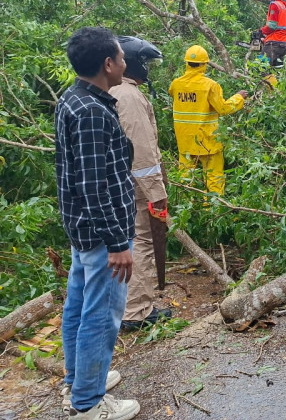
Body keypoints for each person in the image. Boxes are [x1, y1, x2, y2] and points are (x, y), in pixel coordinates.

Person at [55, 27, 140, 419]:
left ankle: (80, 379)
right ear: (108, 64)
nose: (125, 63)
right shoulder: (90, 112)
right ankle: (89, 404)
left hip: (81, 228)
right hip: (102, 233)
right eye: (121, 57)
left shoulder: (73, 98)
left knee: (78, 304)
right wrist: (118, 243)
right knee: (101, 314)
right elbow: (94, 186)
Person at [111, 36, 173, 331]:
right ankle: (136, 311)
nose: (148, 69)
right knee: (143, 242)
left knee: (122, 244)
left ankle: (123, 305)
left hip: (117, 181)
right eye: (145, 63)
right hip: (134, 184)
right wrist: (157, 193)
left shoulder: (110, 89)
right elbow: (143, 150)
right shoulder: (130, 96)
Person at [168, 45, 247, 195]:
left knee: (186, 179)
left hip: (185, 141)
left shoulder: (176, 84)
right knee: (214, 178)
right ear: (204, 64)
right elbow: (223, 108)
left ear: (186, 63)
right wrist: (238, 97)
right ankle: (213, 211)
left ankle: (187, 210)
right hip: (207, 141)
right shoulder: (210, 86)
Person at [251, 0, 286, 69]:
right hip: (284, 44)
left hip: (274, 43)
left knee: (260, 68)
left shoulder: (275, 5)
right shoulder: (285, 7)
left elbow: (272, 26)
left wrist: (260, 31)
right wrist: (266, 38)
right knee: (275, 71)